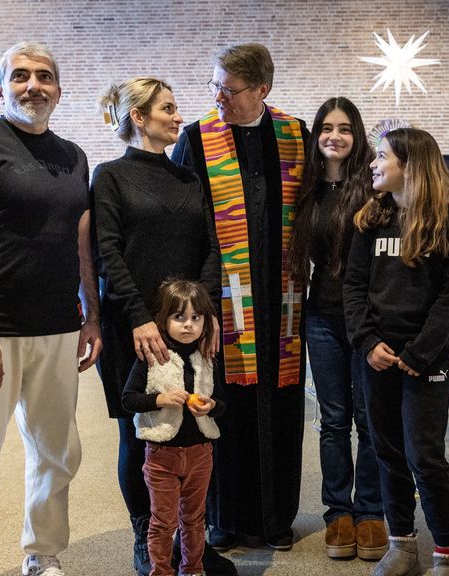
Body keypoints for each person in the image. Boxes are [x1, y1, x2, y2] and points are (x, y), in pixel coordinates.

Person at [0, 41, 100, 576]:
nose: (34, 85)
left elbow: (81, 244)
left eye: (45, 77)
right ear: (0, 87)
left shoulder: (73, 156)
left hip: (58, 329)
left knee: (58, 454)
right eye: (21, 76)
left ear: (59, 90)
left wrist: (91, 315)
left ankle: (43, 553)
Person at [91, 77, 234, 576]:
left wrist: (207, 314)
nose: (178, 117)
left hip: (189, 328)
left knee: (194, 431)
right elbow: (107, 252)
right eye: (168, 108)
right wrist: (138, 318)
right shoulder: (110, 176)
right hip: (134, 328)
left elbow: (213, 250)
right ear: (139, 116)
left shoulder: (191, 179)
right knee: (142, 434)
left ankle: (190, 539)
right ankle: (147, 533)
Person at [170, 43, 307, 551]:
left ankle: (275, 519)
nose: (217, 97)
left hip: (283, 304)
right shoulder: (197, 139)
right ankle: (223, 517)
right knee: (223, 407)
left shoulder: (295, 135)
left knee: (281, 407)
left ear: (262, 91)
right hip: (222, 303)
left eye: (228, 89)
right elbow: (186, 221)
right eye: (215, 86)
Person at [343, 127, 449, 576]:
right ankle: (402, 544)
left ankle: (448, 554)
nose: (373, 164)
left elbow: (448, 297)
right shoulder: (369, 220)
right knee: (387, 452)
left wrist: (419, 355)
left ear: (409, 166)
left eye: (382, 156)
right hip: (375, 357)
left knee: (425, 456)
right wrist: (368, 342)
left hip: (426, 361)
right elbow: (353, 288)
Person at [286, 97, 387, 561]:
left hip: (366, 322)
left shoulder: (373, 188)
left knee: (367, 420)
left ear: (357, 134)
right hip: (322, 320)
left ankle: (370, 512)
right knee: (332, 421)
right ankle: (337, 514)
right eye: (327, 128)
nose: (335, 136)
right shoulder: (305, 190)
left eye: (345, 128)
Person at [122, 279, 226, 576]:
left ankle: (193, 568)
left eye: (196, 318)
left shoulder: (207, 358)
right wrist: (160, 399)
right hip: (161, 456)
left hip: (200, 453)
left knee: (195, 519)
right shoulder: (152, 358)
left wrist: (212, 406)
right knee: (163, 521)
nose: (188, 325)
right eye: (179, 317)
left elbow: (224, 402)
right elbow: (128, 400)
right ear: (163, 320)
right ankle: (161, 571)